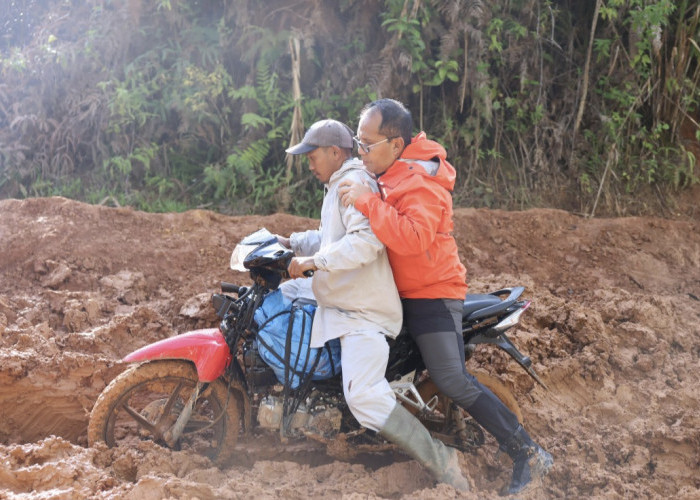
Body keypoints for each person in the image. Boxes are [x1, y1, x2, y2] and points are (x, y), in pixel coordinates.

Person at [338, 99, 553, 495]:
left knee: (451, 378)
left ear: (397, 144)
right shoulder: (391, 173)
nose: (360, 151)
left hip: (431, 296)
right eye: (357, 141)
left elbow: (415, 239)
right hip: (401, 294)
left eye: (367, 144)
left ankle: (529, 452)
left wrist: (367, 203)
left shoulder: (419, 183)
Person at [278, 118, 470, 491]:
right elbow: (331, 236)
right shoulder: (338, 182)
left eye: (312, 155)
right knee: (288, 298)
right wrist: (290, 243)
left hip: (362, 313)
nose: (308, 163)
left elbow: (366, 243)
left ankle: (439, 459)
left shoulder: (354, 182)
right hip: (345, 303)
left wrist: (314, 262)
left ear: (335, 153)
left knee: (363, 396)